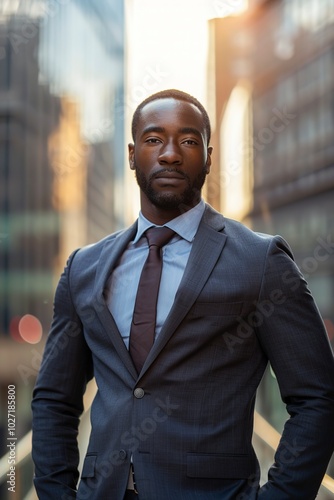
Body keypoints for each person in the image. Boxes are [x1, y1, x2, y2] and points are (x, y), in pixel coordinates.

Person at [31, 89, 334, 500]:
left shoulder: (260, 260)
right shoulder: (84, 268)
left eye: (188, 141)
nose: (170, 153)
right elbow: (54, 400)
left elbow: (318, 398)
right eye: (154, 139)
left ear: (208, 157)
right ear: (132, 153)